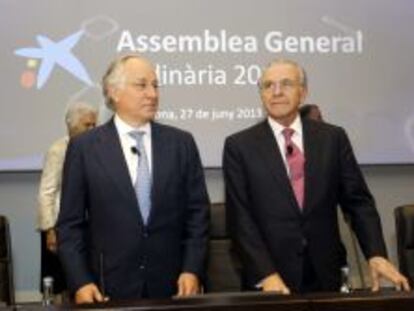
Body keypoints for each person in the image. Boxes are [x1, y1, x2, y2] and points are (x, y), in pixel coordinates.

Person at [223, 59, 410, 294]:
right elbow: (240, 219)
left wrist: (376, 254)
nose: (276, 92)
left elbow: (358, 202)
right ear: (261, 94)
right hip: (270, 280)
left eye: (286, 84)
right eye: (268, 85)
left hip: (325, 275)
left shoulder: (333, 138)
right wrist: (266, 274)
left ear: (303, 93)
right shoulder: (239, 146)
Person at [57, 54, 209, 303]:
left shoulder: (181, 144)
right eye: (142, 85)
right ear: (114, 92)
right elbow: (69, 225)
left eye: (155, 85)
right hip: (106, 288)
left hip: (173, 287)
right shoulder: (84, 148)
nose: (153, 94)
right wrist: (80, 282)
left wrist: (192, 269)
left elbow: (198, 215)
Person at [37, 102, 97, 298]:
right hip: (60, 226)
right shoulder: (58, 149)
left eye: (94, 125)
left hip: (89, 225)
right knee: (62, 282)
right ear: (72, 126)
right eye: (87, 125)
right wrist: (49, 230)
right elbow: (47, 191)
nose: (92, 129)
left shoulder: (98, 147)